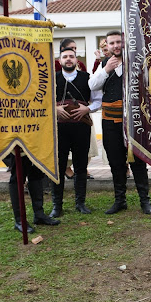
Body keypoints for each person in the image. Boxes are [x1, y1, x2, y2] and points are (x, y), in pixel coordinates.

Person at [89, 30, 151, 214]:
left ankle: (145, 200)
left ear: (124, 43)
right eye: (112, 43)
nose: (116, 45)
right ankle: (120, 200)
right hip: (110, 123)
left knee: (138, 162)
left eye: (119, 42)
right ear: (107, 46)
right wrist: (107, 69)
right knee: (116, 163)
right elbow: (92, 86)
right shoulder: (103, 65)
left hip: (133, 122)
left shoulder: (136, 62)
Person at [49, 45, 102, 218]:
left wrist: (87, 109)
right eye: (65, 57)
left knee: (81, 167)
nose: (68, 59)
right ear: (60, 61)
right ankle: (57, 205)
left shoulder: (87, 78)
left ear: (76, 60)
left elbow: (97, 101)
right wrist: (54, 109)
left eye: (71, 56)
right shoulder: (51, 79)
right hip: (59, 129)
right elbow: (42, 100)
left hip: (81, 127)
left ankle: (80, 203)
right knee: (58, 166)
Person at [8, 154, 60, 233]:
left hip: (35, 144)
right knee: (17, 176)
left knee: (36, 173)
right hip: (19, 145)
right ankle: (20, 221)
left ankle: (39, 215)